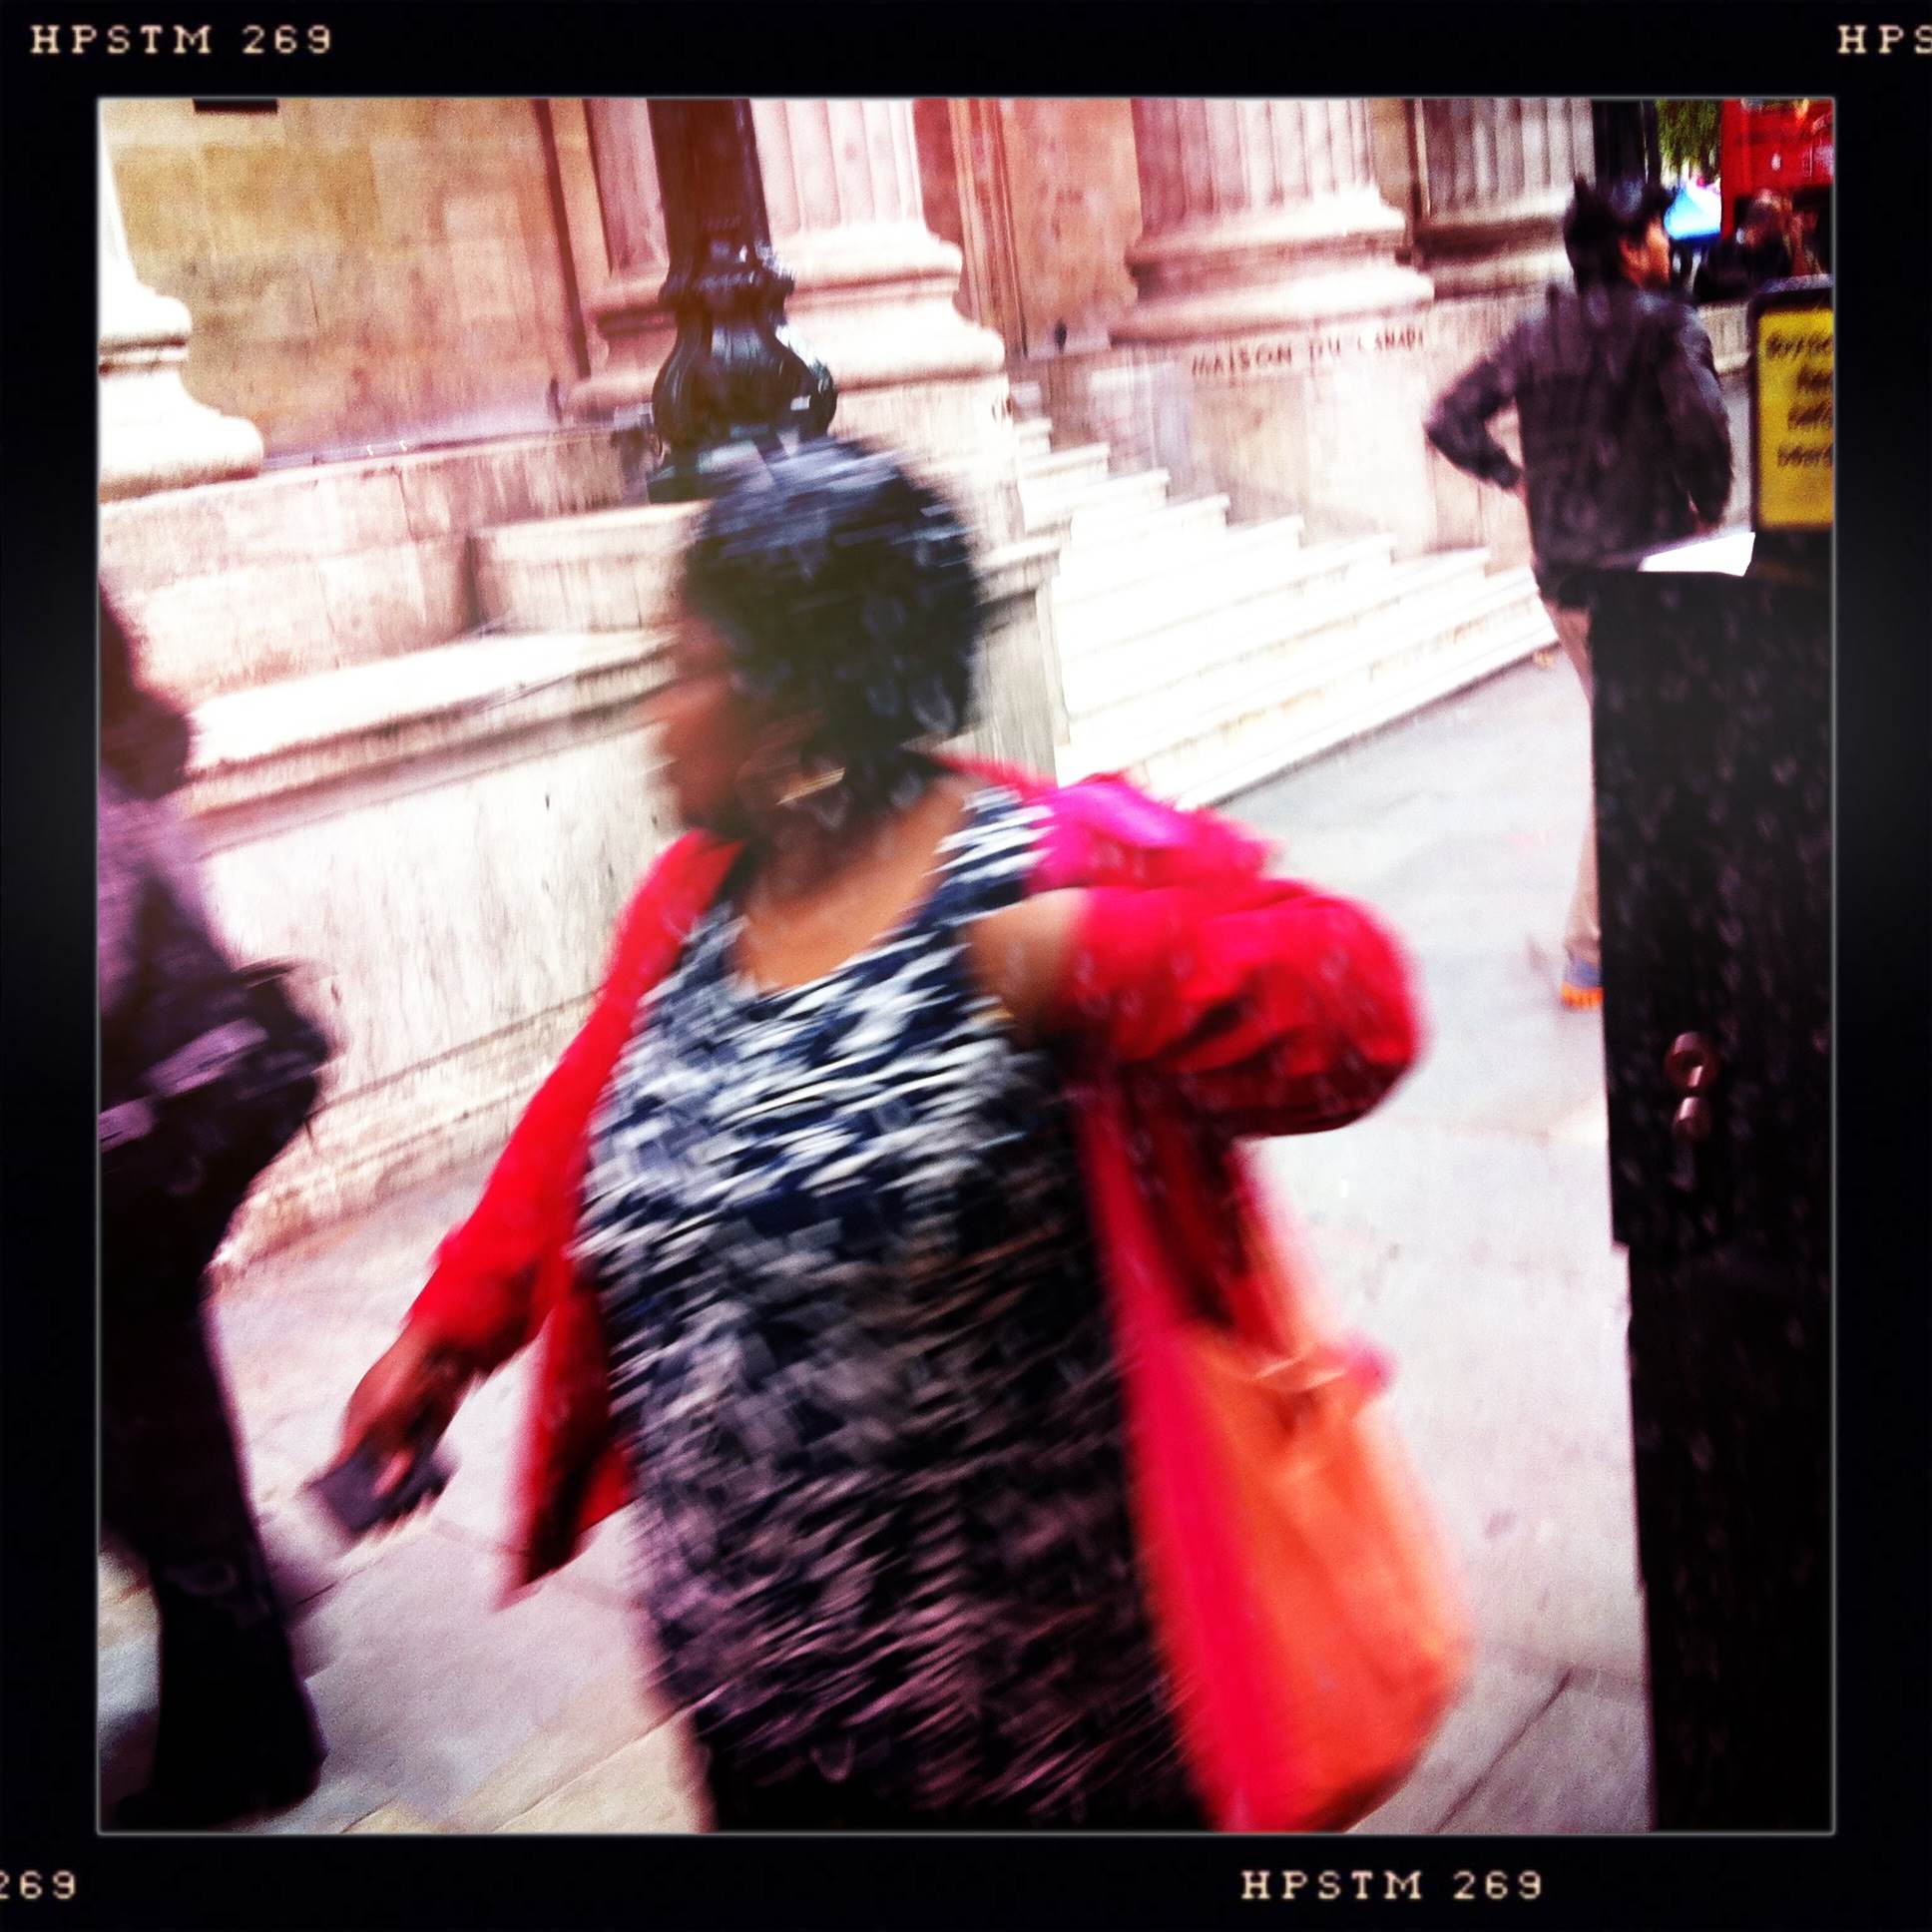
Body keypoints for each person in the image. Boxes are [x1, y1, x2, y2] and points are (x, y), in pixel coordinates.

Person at [335, 437, 1422, 1829]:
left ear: (795, 699)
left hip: (1032, 1743)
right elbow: (585, 1117)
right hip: (752, 1712)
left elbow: (1359, 1007)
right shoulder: (695, 898)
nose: (657, 712)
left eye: (686, 668)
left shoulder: (1039, 870)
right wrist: (451, 1335)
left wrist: (1099, 959)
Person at [99, 588, 329, 1828]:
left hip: (125, 1176)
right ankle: (252, 1626)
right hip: (168, 1157)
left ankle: (247, 1736)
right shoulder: (124, 748)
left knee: (152, 1441)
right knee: (157, 1430)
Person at [1425, 177, 1732, 1009]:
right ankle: (1592, 950)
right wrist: (1709, 505)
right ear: (1629, 249)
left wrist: (1513, 477)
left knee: (1649, 740)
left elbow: (1449, 417)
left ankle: (1648, 923)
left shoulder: (1537, 333)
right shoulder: (1667, 324)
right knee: (1641, 749)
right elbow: (1702, 425)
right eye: (1658, 230)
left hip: (1564, 580)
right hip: (1644, 580)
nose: (1669, 243)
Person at [1693, 190, 1794, 303]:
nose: (1787, 229)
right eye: (1785, 221)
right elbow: (1699, 299)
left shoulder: (1778, 253)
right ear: (1766, 223)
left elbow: (1788, 293)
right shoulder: (1715, 255)